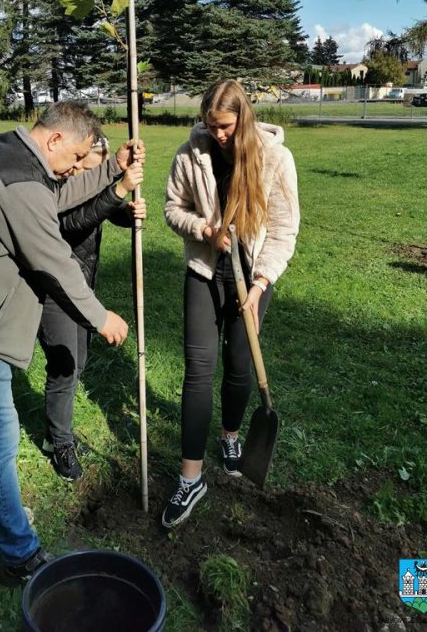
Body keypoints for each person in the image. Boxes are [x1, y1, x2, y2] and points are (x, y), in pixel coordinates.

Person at [0, 101, 145, 584]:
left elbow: (55, 194)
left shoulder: (9, 150)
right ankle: (21, 555)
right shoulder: (21, 185)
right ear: (54, 139)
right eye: (77, 157)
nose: (79, 167)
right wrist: (102, 318)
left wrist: (112, 173)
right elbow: (56, 263)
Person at [161, 79, 299, 529]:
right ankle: (191, 478)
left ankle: (232, 436)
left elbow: (283, 229)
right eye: (210, 125)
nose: (217, 134)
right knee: (198, 370)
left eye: (224, 125)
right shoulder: (190, 154)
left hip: (253, 278)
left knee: (239, 366)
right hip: (204, 274)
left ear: (243, 118)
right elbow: (171, 208)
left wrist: (260, 285)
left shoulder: (275, 159)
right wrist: (204, 230)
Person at [38, 136, 147, 481]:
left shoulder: (96, 180)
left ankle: (54, 433)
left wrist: (131, 212)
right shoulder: (57, 188)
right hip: (54, 288)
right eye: (86, 168)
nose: (89, 175)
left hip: (82, 287)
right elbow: (75, 221)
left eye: (98, 170)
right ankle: (60, 443)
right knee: (65, 365)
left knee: (79, 361)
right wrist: (118, 189)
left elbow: (107, 209)